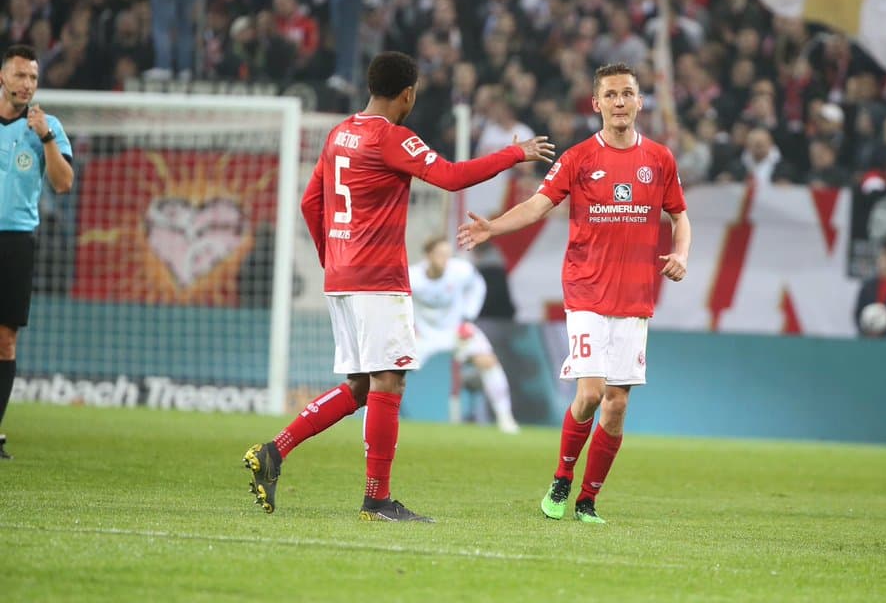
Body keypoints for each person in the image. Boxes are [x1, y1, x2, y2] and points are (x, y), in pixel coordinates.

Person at [243, 51, 553, 522]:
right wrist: (516, 153)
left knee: (362, 386)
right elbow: (450, 177)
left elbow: (312, 203)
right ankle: (377, 500)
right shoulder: (392, 138)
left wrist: (334, 260)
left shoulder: (339, 133)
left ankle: (274, 450)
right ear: (408, 94)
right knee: (388, 381)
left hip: (343, 278)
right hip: (376, 278)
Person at [458, 62, 691, 524]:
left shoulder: (659, 159)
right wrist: (494, 228)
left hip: (634, 298)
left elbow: (679, 216)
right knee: (590, 392)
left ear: (640, 102)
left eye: (628, 94)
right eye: (611, 95)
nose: (620, 102)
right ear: (596, 104)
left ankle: (587, 500)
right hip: (586, 291)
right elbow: (538, 205)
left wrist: (681, 252)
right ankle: (563, 478)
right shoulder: (579, 157)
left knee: (618, 403)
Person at [0, 45, 75, 460]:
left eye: (32, 77)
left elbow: (64, 184)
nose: (27, 84)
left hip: (16, 240)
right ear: (3, 78)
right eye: (19, 76)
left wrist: (45, 136)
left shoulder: (48, 127)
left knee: (5, 340)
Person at [409, 236, 520, 434]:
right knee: (391, 370)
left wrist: (468, 317)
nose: (445, 259)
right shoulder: (412, 277)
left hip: (456, 330)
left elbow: (478, 287)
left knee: (487, 361)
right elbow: (399, 302)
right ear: (428, 256)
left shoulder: (461, 271)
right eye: (440, 255)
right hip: (424, 334)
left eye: (448, 255)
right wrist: (409, 327)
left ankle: (505, 418)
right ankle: (374, 413)